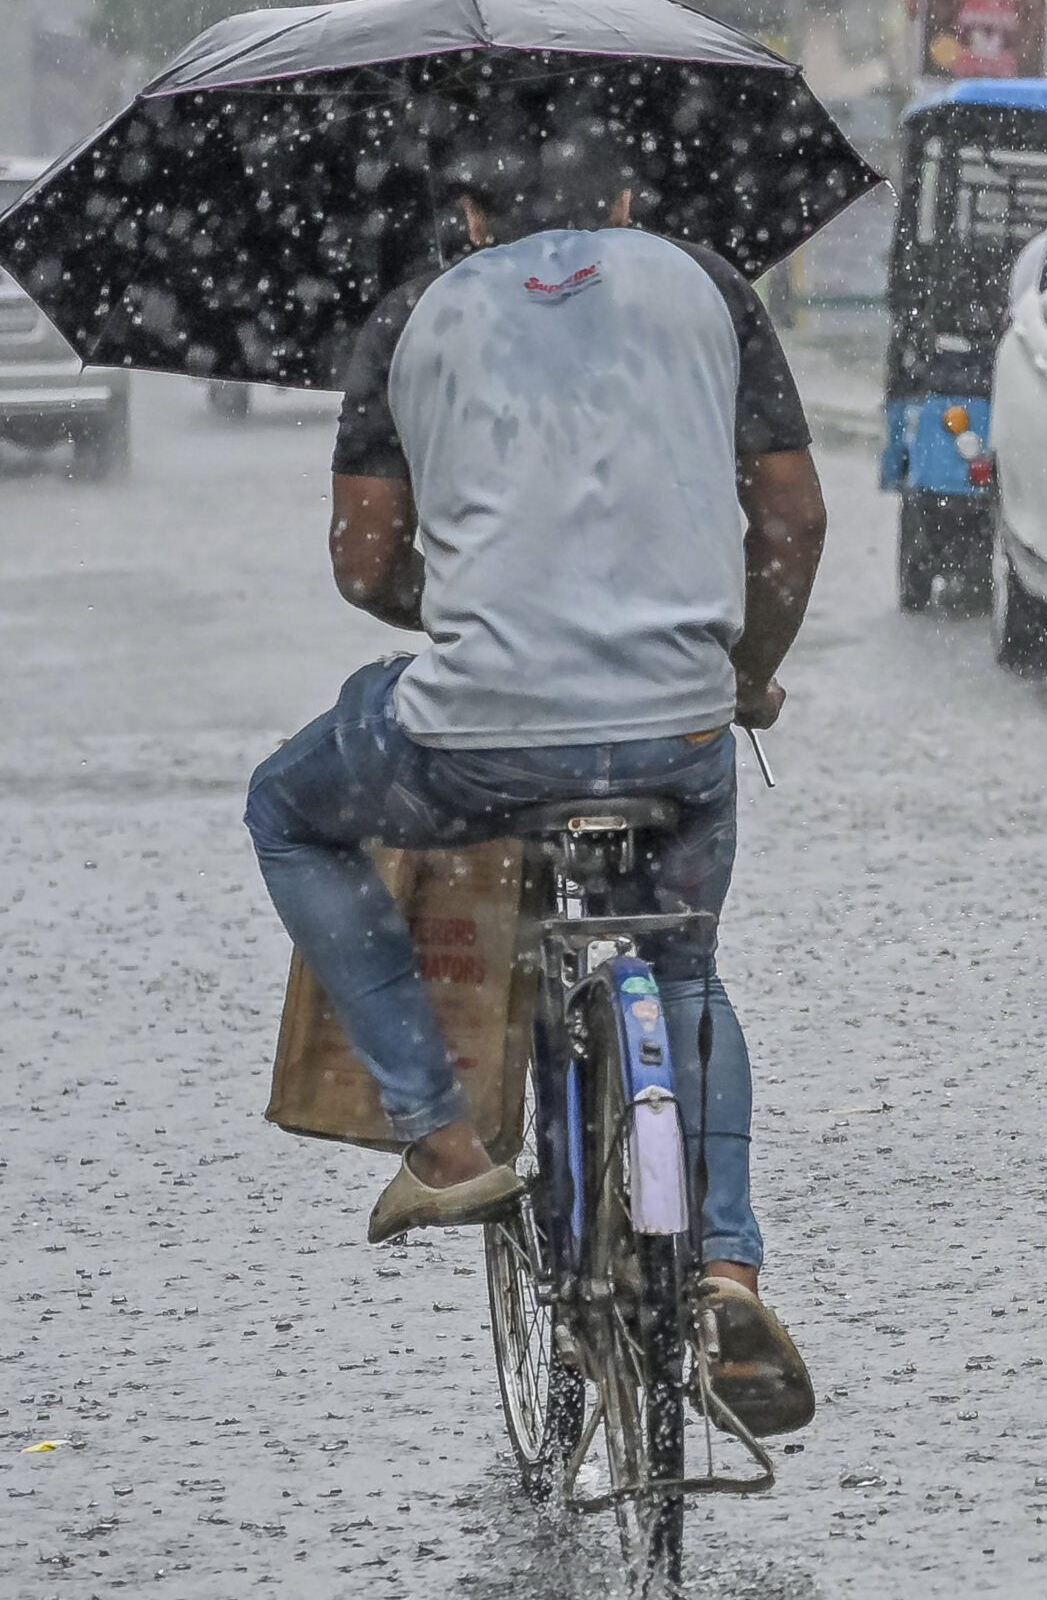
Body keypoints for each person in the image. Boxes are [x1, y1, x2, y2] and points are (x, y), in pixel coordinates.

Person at [243, 125, 826, 1435]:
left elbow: (364, 565)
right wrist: (747, 674)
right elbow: (793, 518)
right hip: (678, 736)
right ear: (625, 196)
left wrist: (482, 608)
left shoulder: (414, 314)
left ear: (467, 211)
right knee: (683, 969)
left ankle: (442, 1137)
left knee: (286, 809)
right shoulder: (706, 287)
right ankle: (726, 1269)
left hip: (480, 741)